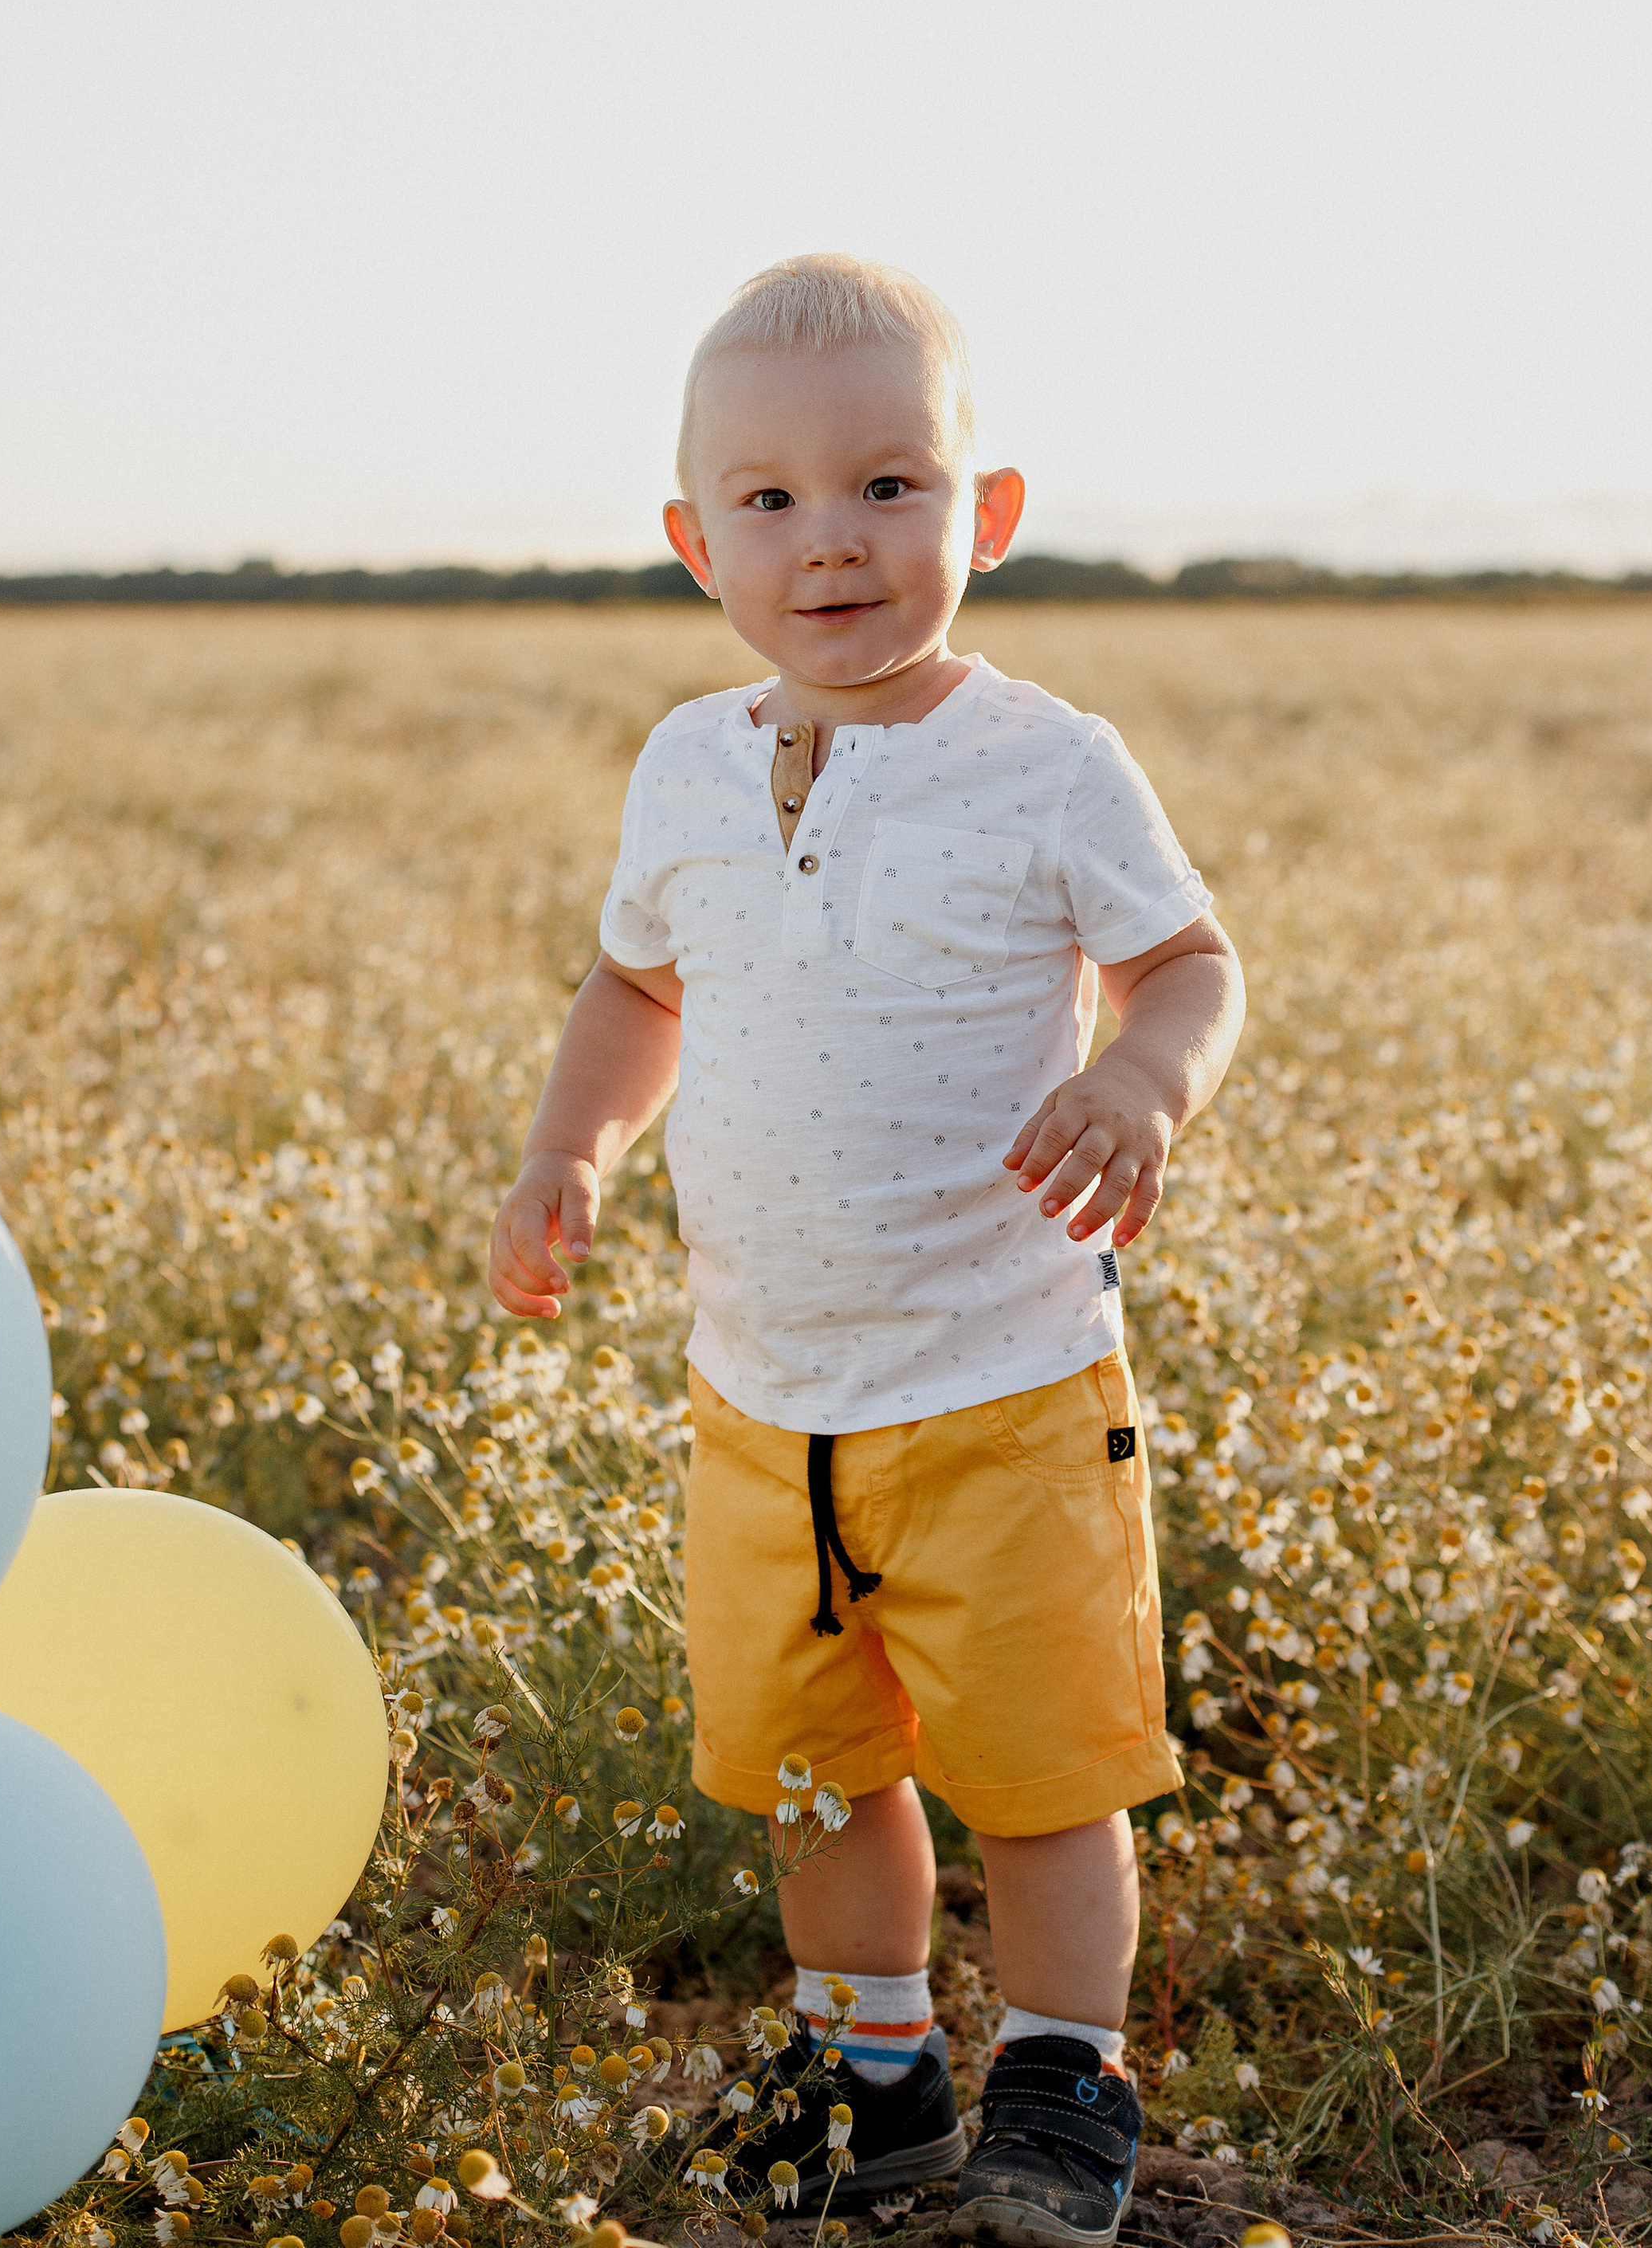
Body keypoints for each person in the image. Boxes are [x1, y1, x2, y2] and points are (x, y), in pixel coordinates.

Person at [489, 254, 1245, 2248]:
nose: (830, 540)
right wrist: (571, 1146)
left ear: (981, 516)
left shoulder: (1047, 760)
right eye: (768, 502)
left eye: (888, 486)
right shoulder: (681, 765)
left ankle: (1062, 2079)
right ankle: (875, 2069)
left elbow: (1189, 964)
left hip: (996, 1390)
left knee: (1039, 1775)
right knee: (815, 1777)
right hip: (762, 1404)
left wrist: (1144, 1086)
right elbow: (630, 985)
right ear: (693, 545)